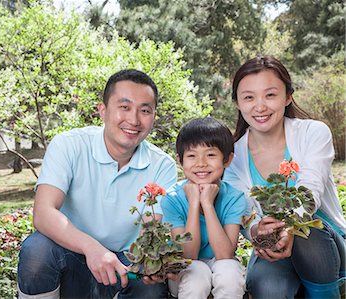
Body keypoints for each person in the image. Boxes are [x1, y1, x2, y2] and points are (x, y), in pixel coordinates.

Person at [17, 69, 177, 298]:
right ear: (102, 110)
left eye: (144, 110)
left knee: (150, 287)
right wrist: (92, 249)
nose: (133, 119)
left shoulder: (162, 165)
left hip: (124, 267)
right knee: (37, 250)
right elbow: (43, 213)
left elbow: (152, 232)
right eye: (124, 107)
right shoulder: (69, 145)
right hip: (70, 257)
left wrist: (150, 261)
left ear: (154, 116)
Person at [224, 55, 346, 298]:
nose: (260, 106)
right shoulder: (232, 156)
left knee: (306, 231)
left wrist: (290, 226)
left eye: (270, 95)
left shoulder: (313, 132)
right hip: (272, 245)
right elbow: (244, 213)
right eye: (249, 97)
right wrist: (257, 231)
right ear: (237, 102)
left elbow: (310, 190)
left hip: (325, 244)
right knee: (268, 288)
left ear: (288, 96)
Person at [161, 117, 247, 298]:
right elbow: (188, 254)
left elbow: (225, 254)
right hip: (185, 270)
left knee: (229, 270)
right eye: (192, 155)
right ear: (180, 160)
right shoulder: (172, 198)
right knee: (197, 273)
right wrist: (194, 203)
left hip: (219, 263)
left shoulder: (234, 197)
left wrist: (207, 204)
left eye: (210, 155)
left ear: (227, 159)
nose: (201, 163)